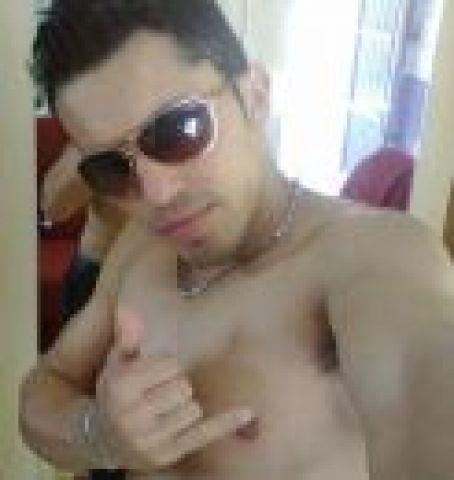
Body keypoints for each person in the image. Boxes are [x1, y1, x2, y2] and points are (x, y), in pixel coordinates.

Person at [20, 1, 454, 479]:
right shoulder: (140, 246)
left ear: (255, 95)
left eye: (178, 131)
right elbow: (46, 387)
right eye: (110, 168)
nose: (157, 194)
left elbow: (422, 390)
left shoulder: (370, 255)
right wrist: (98, 435)